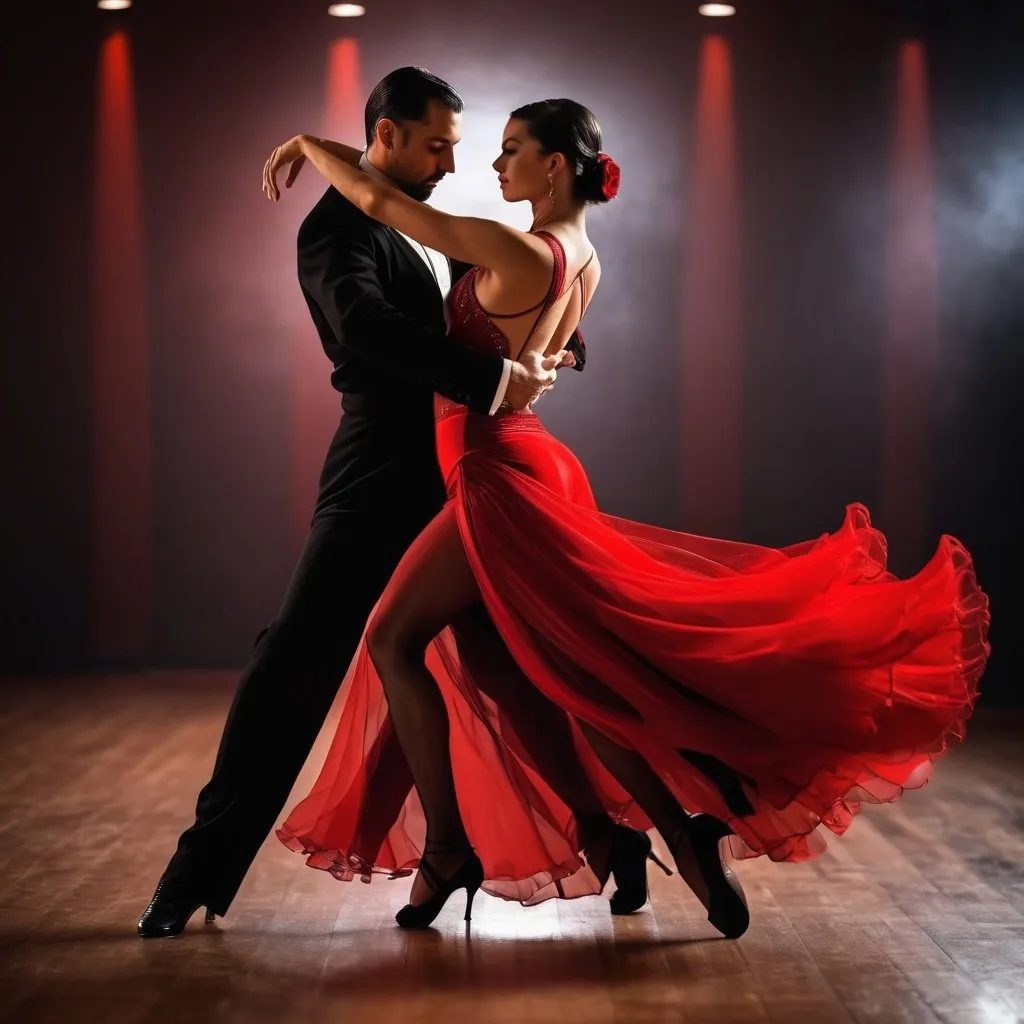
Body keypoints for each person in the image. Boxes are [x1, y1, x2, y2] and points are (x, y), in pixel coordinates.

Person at [263, 98, 989, 939]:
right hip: (527, 460)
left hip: (496, 473)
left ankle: (452, 850)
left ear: (557, 167)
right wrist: (545, 358)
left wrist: (313, 143)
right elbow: (544, 346)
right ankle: (666, 832)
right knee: (558, 676)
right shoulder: (586, 258)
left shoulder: (512, 247)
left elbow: (389, 207)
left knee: (394, 638)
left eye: (510, 152)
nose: (495, 170)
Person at [137, 67, 601, 939]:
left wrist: (557, 342)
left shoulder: (431, 218)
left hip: (470, 478)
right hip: (382, 475)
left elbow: (499, 294)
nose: (450, 162)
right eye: (435, 144)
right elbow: (366, 331)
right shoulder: (333, 227)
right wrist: (497, 375)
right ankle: (194, 874)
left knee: (518, 669)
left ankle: (610, 841)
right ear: (383, 136)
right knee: (295, 663)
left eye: (458, 146)